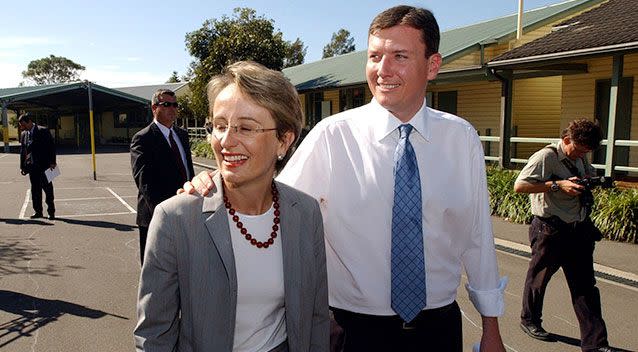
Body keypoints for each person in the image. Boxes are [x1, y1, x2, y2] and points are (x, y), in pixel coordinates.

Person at [185, 6, 507, 351]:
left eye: (399, 56)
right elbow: (272, 203)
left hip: (437, 329)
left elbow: (476, 236)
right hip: (351, 331)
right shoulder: (332, 136)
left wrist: (491, 329)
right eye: (374, 56)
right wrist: (218, 184)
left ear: (432, 65)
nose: (382, 70)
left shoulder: (461, 138)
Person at [134, 61, 329, 351]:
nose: (226, 141)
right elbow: (154, 336)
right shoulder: (175, 219)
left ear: (284, 141)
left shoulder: (306, 213)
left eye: (245, 128)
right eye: (220, 126)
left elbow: (315, 318)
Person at [514, 119, 619, 352]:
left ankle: (595, 344)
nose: (581, 155)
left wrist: (591, 181)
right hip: (549, 229)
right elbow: (520, 186)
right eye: (579, 150)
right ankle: (529, 320)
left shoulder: (580, 155)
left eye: (587, 152)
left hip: (578, 230)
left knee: (585, 287)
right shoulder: (546, 157)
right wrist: (557, 185)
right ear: (566, 140)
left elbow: (587, 172)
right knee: (538, 280)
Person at [130, 88, 195, 265]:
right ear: (154, 108)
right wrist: (164, 212)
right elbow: (144, 181)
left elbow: (188, 172)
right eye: (166, 104)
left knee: (180, 263)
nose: (172, 108)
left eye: (175, 105)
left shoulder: (182, 135)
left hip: (185, 210)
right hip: (156, 213)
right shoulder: (143, 138)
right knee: (153, 265)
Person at [19, 113, 56, 220]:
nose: (22, 127)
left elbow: (51, 147)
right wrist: (22, 166)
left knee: (48, 189)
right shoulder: (24, 134)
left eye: (23, 124)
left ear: (29, 122)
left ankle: (51, 212)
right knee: (35, 190)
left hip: (44, 166)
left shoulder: (43, 130)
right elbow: (23, 151)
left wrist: (53, 162)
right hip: (32, 167)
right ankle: (38, 211)